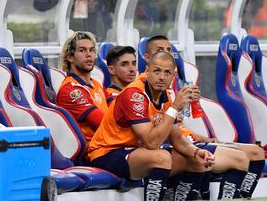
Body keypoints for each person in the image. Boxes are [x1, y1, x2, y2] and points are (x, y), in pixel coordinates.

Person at [143, 35, 266, 199]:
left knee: (257, 152)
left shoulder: (170, 91)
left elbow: (179, 125)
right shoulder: (142, 90)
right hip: (167, 148)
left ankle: (242, 196)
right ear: (146, 59)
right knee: (239, 159)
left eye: (169, 50)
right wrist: (176, 115)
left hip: (187, 141)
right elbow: (156, 131)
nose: (167, 54)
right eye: (160, 50)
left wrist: (201, 136)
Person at [88, 51, 215, 201]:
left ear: (173, 76)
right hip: (106, 153)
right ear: (147, 71)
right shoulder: (134, 95)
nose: (162, 77)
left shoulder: (166, 96)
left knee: (198, 161)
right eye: (157, 71)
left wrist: (196, 151)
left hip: (136, 151)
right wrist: (174, 108)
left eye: (167, 72)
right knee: (161, 157)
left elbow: (177, 139)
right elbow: (151, 142)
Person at [56, 31, 113, 143]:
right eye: (82, 50)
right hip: (94, 151)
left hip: (109, 144)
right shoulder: (71, 90)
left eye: (92, 50)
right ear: (70, 57)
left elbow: (117, 108)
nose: (89, 55)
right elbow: (103, 123)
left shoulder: (96, 84)